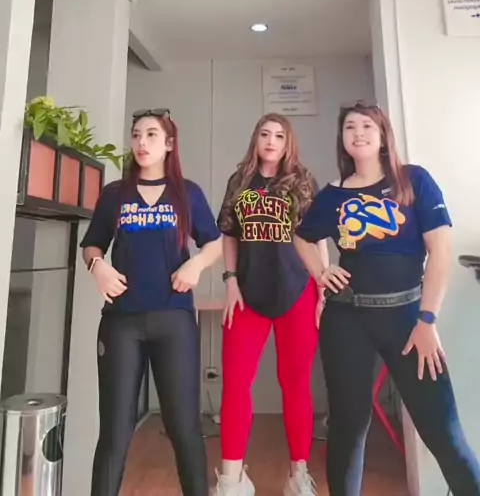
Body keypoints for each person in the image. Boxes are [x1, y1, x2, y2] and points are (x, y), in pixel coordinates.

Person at [294, 101, 480, 496]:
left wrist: (427, 320)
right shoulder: (333, 194)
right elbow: (302, 236)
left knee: (442, 429)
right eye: (350, 127)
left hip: (408, 321)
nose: (358, 133)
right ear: (342, 139)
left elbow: (440, 252)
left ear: (382, 136)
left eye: (367, 125)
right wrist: (321, 272)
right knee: (348, 428)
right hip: (346, 320)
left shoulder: (413, 180)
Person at [81, 108, 222, 496]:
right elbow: (92, 244)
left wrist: (196, 264)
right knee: (115, 431)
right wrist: (97, 266)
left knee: (184, 428)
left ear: (169, 144)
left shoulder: (186, 193)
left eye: (152, 135)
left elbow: (214, 243)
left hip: (173, 320)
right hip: (121, 322)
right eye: (137, 135)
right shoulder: (115, 194)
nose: (142, 143)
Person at [213, 113, 327, 496]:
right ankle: (231, 480)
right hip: (248, 293)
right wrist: (230, 282)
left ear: (287, 142)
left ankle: (298, 475)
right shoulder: (240, 181)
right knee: (235, 382)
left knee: (295, 383)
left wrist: (323, 287)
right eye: (265, 133)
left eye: (279, 135)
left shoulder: (302, 181)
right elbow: (229, 235)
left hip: (298, 292)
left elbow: (317, 238)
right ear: (256, 139)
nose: (271, 140)